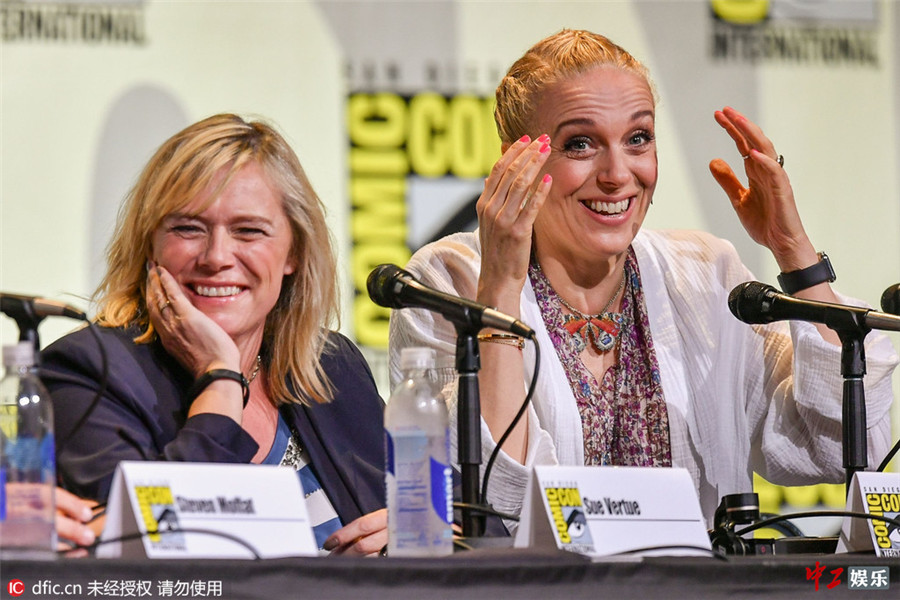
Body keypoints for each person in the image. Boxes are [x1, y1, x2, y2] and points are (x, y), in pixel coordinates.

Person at [388, 29, 898, 527]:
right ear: (515, 161)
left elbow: (834, 448)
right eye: (580, 143)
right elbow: (489, 499)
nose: (617, 174)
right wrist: (500, 289)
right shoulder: (448, 280)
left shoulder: (705, 273)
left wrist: (794, 252)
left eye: (638, 139)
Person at [41, 114, 386, 555]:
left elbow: (429, 524)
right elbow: (142, 554)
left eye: (248, 231)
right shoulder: (88, 373)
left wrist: (412, 538)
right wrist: (220, 379)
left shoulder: (332, 365)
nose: (216, 257)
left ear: (294, 253)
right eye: (188, 228)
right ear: (150, 247)